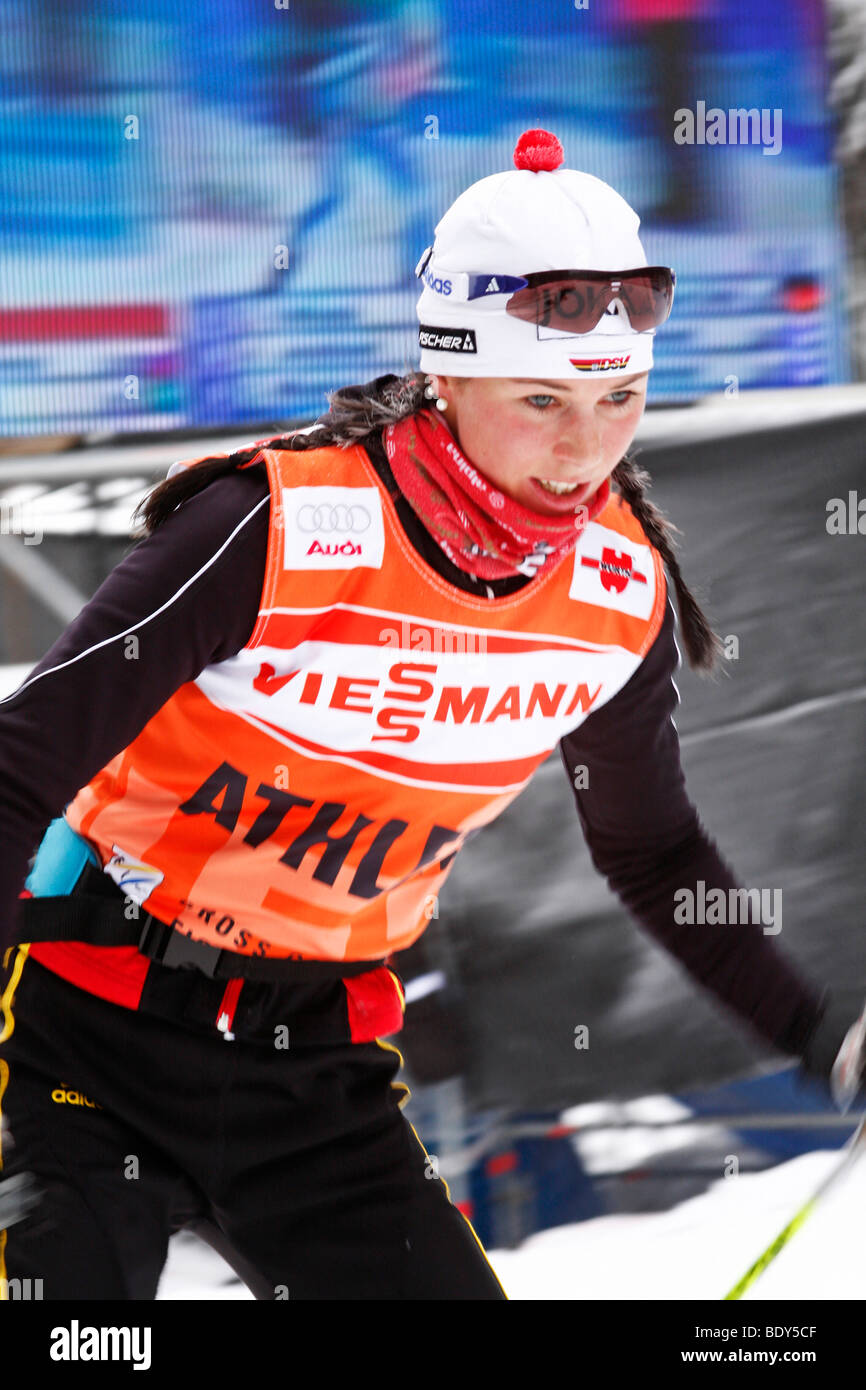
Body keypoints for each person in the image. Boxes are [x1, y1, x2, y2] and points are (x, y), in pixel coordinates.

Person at [0, 128, 862, 1303]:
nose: (581, 449)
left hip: (317, 1073)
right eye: (540, 400)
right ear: (447, 378)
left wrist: (826, 1036)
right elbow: (22, 767)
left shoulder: (615, 591)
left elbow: (651, 850)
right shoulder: (284, 525)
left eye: (619, 398)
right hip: (84, 1037)